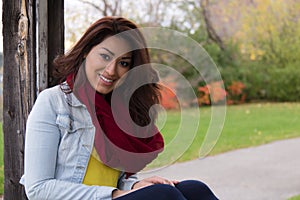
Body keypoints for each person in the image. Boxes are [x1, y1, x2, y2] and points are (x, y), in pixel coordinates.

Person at [20, 16, 219, 200]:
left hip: (109, 196)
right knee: (163, 196)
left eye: (123, 63)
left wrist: (135, 185)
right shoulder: (53, 103)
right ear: (85, 52)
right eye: (105, 57)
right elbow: (38, 188)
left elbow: (116, 178)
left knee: (195, 190)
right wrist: (115, 194)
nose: (112, 70)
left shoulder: (120, 110)